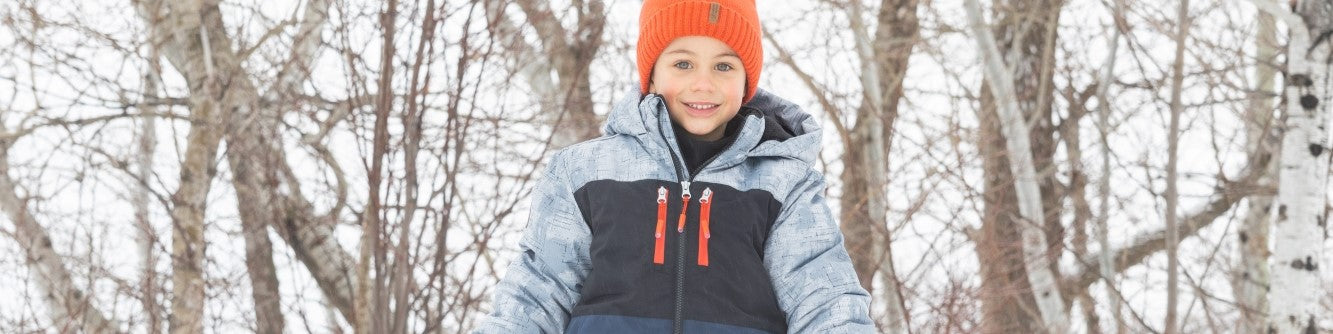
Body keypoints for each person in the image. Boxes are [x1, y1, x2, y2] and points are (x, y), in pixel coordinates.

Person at [473, 0, 872, 333]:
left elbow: (825, 298)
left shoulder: (782, 183)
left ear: (747, 78)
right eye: (683, 64)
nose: (703, 83)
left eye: (723, 66)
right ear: (651, 74)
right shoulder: (584, 172)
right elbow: (537, 292)